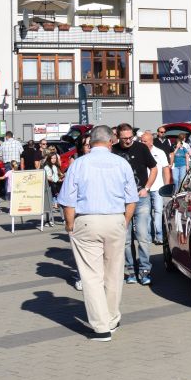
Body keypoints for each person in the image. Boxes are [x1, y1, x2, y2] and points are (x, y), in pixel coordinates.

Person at [57, 125, 137, 342]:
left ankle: (101, 327)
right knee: (114, 271)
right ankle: (112, 317)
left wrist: (69, 225)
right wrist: (124, 221)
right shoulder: (121, 163)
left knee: (91, 275)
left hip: (86, 219)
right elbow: (132, 199)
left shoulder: (79, 164)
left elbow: (68, 200)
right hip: (115, 219)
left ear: (90, 142)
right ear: (111, 141)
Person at [111, 123, 158, 285]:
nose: (129, 140)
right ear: (118, 137)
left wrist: (147, 188)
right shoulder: (113, 151)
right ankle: (131, 270)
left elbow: (154, 168)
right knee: (125, 238)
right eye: (125, 138)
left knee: (143, 236)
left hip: (141, 198)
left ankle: (145, 270)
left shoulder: (141, 148)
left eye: (131, 137)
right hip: (121, 201)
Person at [141, 131, 172, 246]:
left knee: (158, 211)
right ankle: (148, 236)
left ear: (151, 141)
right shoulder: (140, 152)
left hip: (158, 187)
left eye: (145, 141)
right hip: (144, 188)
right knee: (146, 213)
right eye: (141, 141)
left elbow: (166, 169)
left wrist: (167, 185)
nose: (142, 143)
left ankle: (159, 236)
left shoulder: (160, 153)